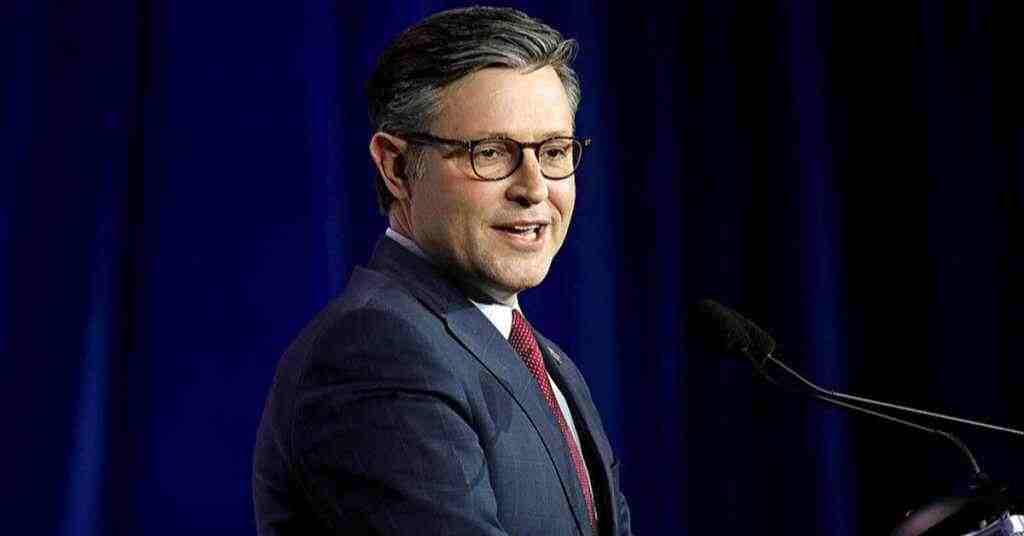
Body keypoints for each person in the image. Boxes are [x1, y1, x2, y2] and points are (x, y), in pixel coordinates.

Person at [253, 6, 632, 535]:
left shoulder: (548, 362)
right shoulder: (376, 349)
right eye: (491, 153)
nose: (534, 188)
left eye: (553, 151)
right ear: (397, 166)